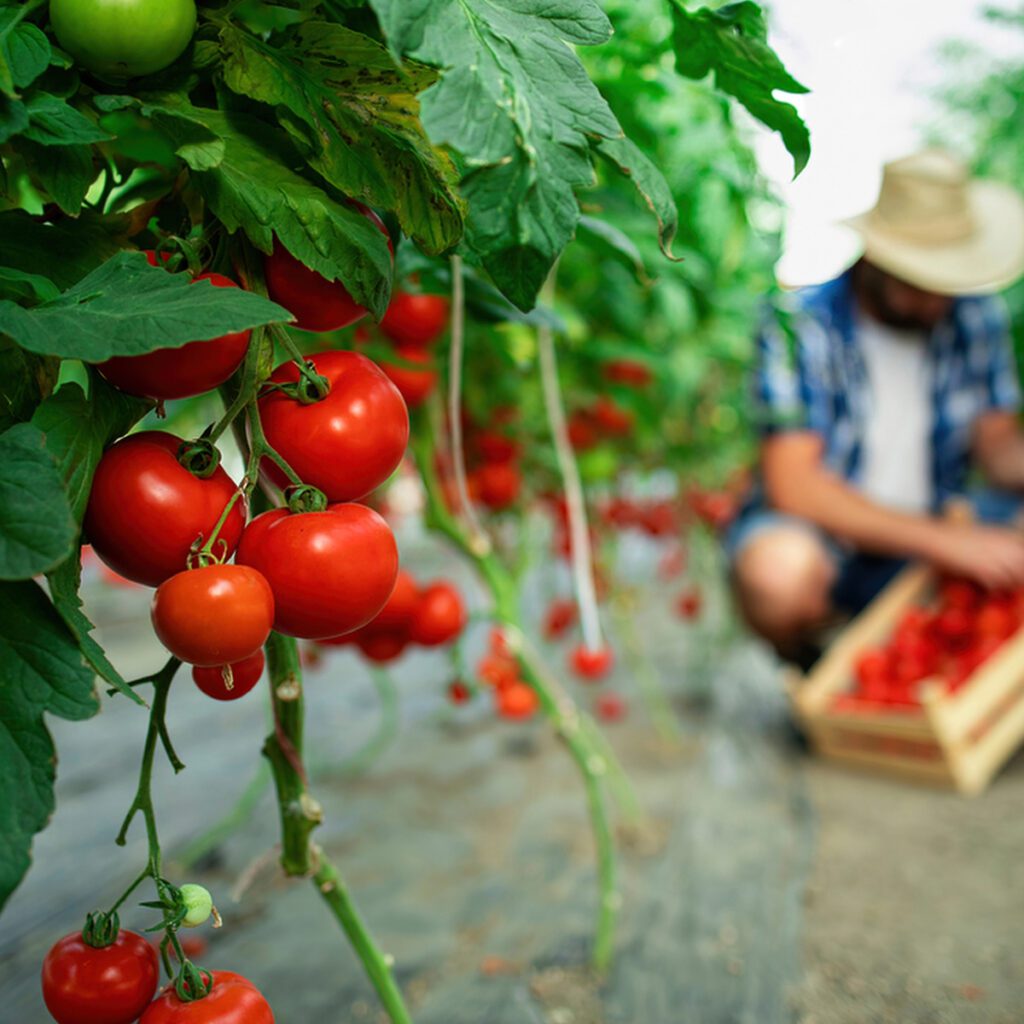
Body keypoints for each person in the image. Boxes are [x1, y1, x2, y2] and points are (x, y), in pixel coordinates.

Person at [727, 149, 1024, 662]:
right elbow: (793, 485)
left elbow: (997, 449)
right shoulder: (799, 324)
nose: (937, 300)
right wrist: (947, 543)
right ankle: (815, 663)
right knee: (777, 573)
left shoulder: (974, 317)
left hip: (941, 524)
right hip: (836, 546)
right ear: (878, 258)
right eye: (921, 280)